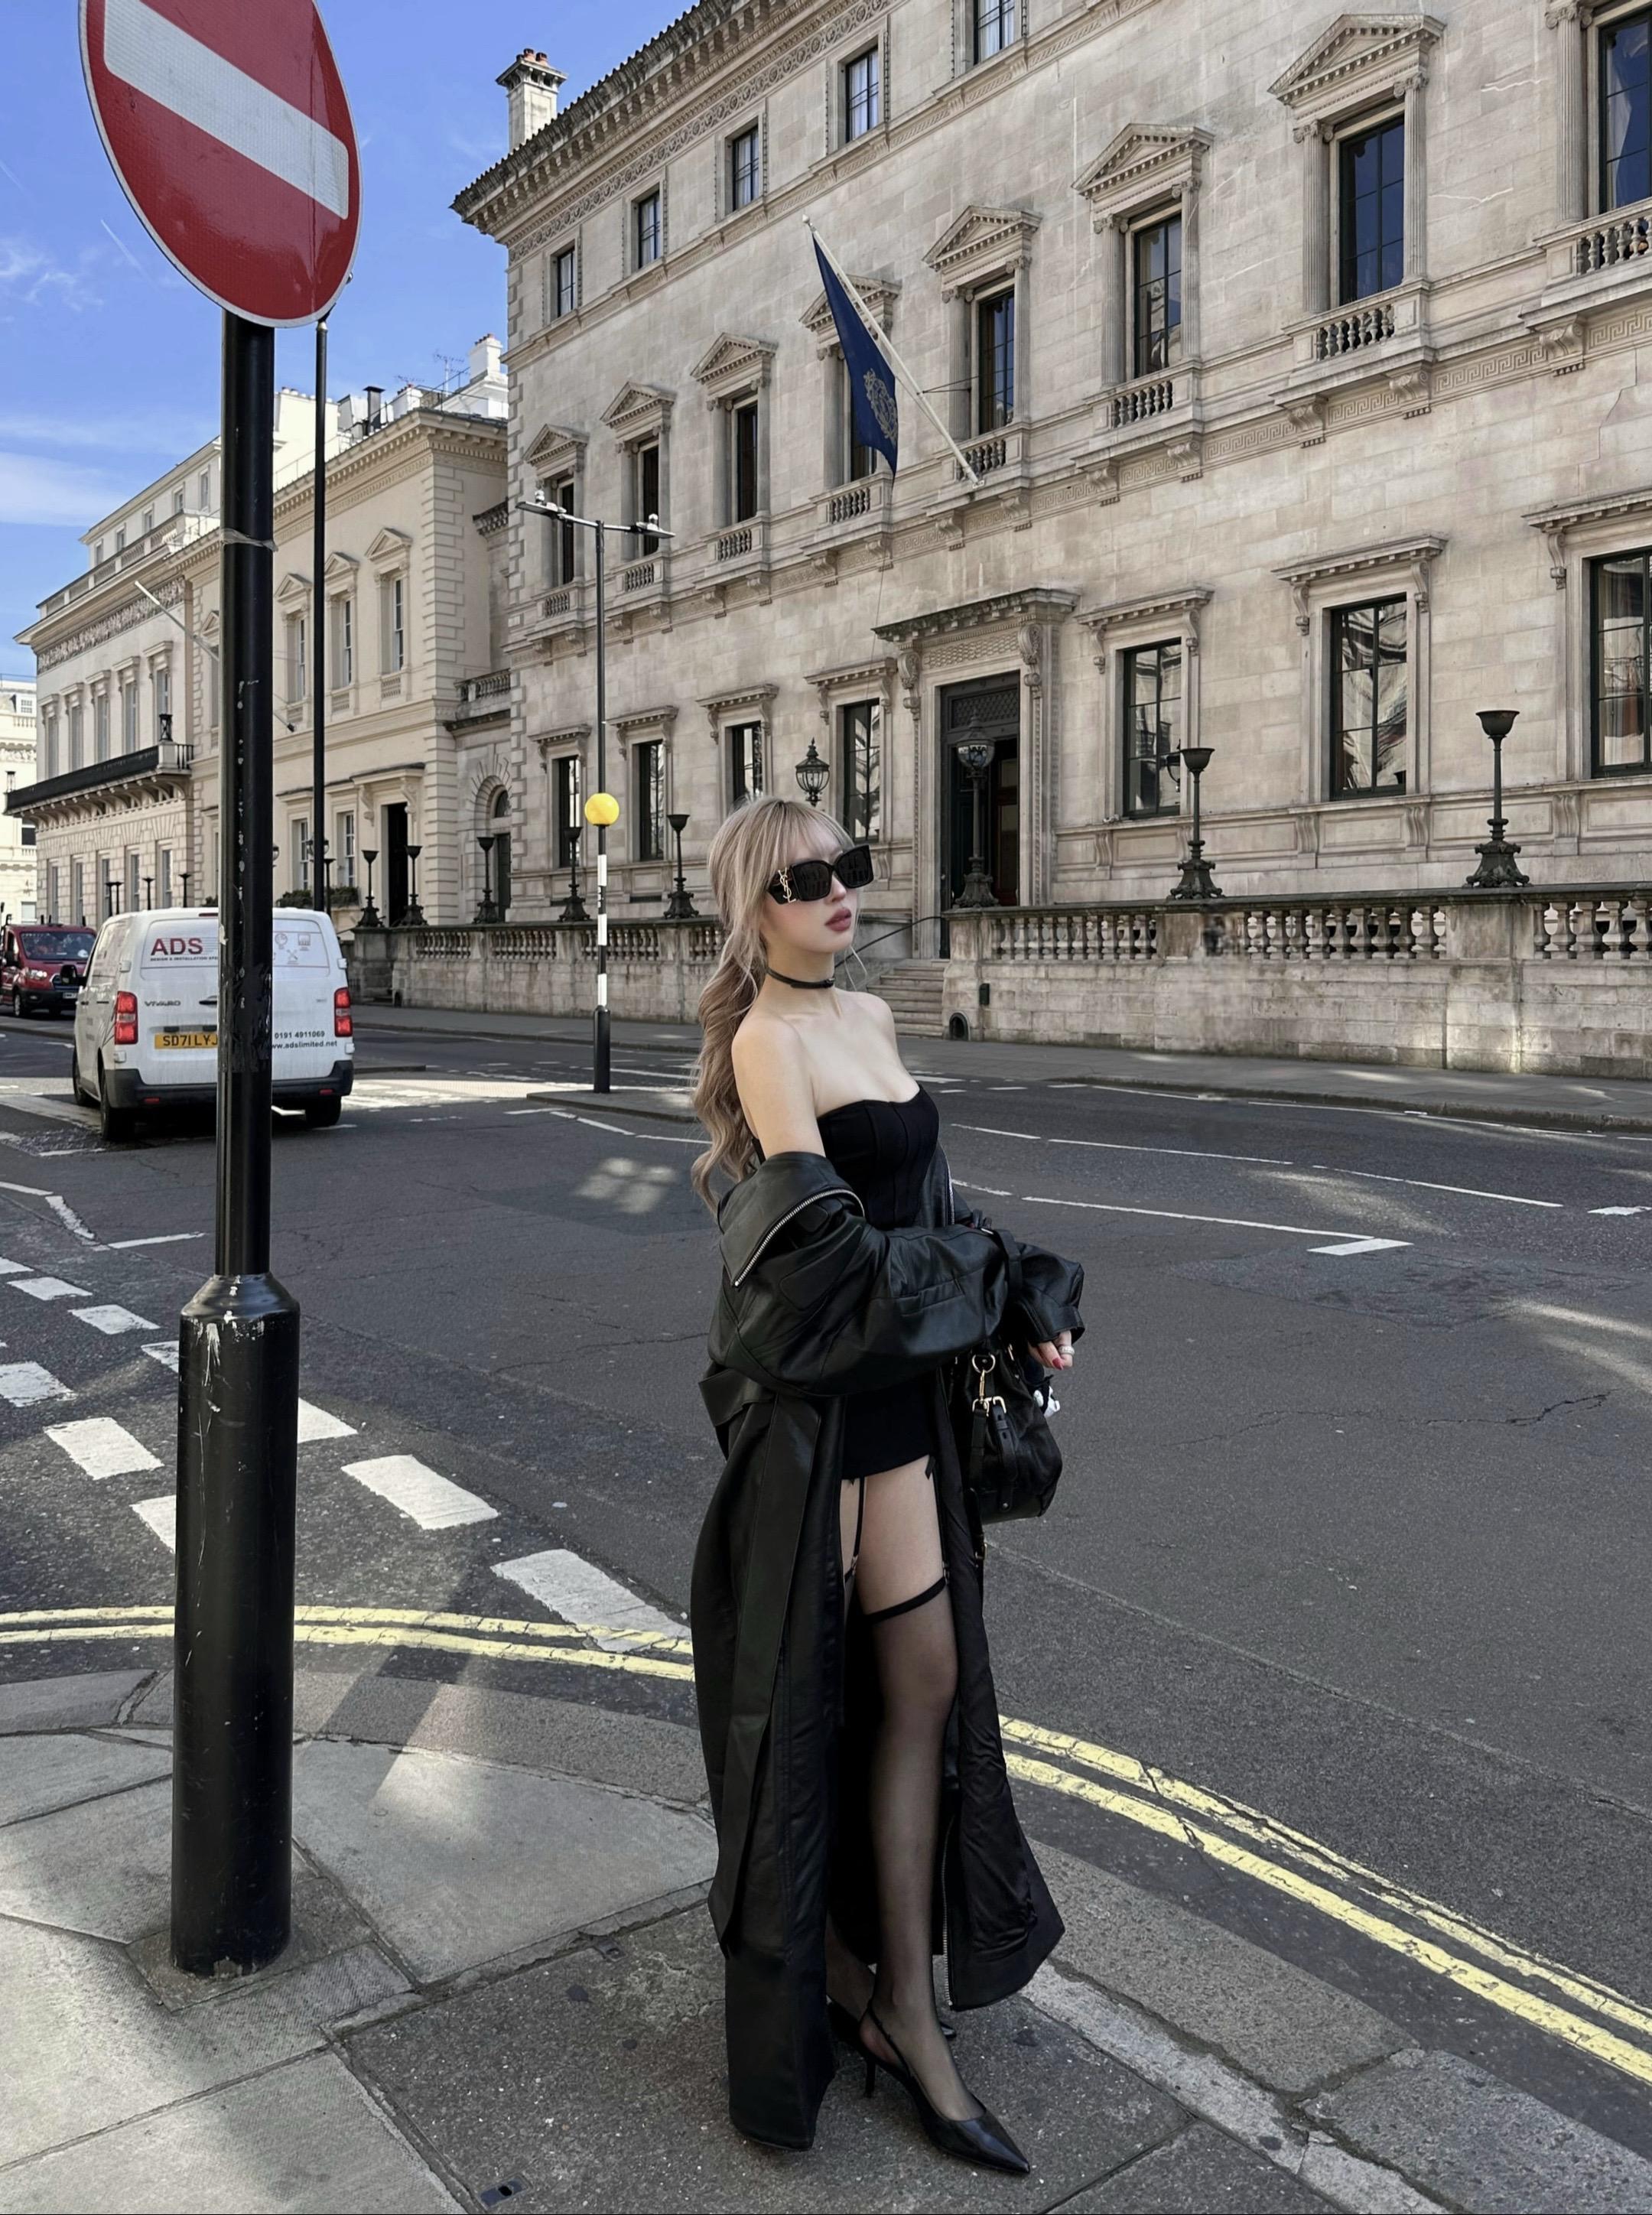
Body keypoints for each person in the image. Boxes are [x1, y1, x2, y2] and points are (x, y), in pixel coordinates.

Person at [688, 795, 1085, 2171]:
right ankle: (857, 1996)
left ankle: (904, 1998)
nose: (838, 892)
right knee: (812, 1715)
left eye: (846, 866)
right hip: (827, 1421)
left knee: (925, 1684)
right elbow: (829, 1264)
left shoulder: (865, 1014)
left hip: (905, 1396)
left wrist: (1017, 1292)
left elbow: (928, 1209)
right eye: (805, 880)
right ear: (756, 908)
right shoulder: (768, 1041)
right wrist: (974, 1281)